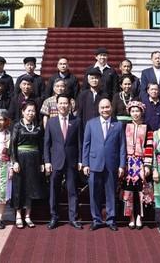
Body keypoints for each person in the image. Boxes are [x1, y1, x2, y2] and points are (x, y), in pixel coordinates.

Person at [82, 98, 126, 231]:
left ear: (111, 108)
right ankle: (96, 220)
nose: (105, 110)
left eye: (107, 107)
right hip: (94, 164)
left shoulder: (118, 124)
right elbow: (86, 145)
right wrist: (85, 164)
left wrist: (121, 165)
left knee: (111, 193)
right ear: (98, 109)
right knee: (94, 193)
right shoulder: (90, 124)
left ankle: (111, 219)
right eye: (102, 108)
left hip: (112, 164)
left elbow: (122, 146)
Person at [45, 94, 83, 230]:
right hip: (56, 161)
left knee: (72, 190)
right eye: (60, 103)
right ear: (57, 105)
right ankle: (54, 217)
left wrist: (80, 160)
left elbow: (80, 143)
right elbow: (47, 143)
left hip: (72, 161)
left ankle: (73, 218)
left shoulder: (77, 121)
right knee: (54, 190)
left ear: (70, 105)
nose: (63, 106)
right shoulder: (51, 122)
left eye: (65, 103)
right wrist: (47, 161)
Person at [11, 100, 47, 229]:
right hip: (20, 159)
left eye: (33, 111)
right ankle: (18, 216)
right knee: (19, 187)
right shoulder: (17, 126)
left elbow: (41, 146)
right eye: (28, 111)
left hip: (34, 159)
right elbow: (13, 145)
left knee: (31, 187)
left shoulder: (37, 126)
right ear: (23, 111)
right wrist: (14, 161)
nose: (31, 113)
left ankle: (28, 215)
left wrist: (42, 162)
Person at [121, 100, 154, 229]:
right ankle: (131, 216)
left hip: (141, 162)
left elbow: (149, 146)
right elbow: (121, 145)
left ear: (142, 112)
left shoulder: (148, 127)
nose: (135, 114)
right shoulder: (125, 125)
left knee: (142, 190)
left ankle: (140, 216)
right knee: (128, 191)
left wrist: (147, 165)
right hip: (128, 162)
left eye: (137, 111)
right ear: (129, 112)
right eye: (133, 111)